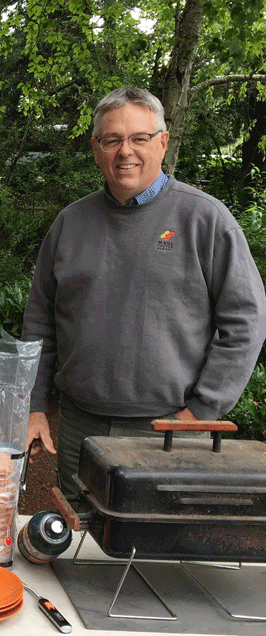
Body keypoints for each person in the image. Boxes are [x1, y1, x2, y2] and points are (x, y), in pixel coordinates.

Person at [23, 87, 266, 500]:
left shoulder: (205, 220)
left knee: (159, 548)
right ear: (96, 149)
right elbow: (39, 320)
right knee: (81, 544)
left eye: (140, 138)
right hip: (80, 426)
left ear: (163, 142)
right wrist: (32, 406)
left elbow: (246, 323)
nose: (125, 152)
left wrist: (202, 412)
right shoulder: (70, 223)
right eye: (112, 140)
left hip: (171, 431)